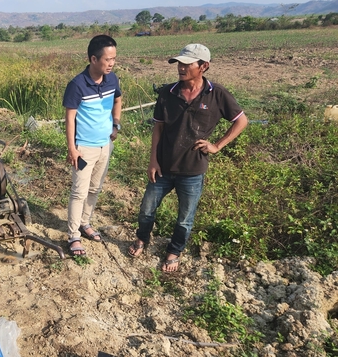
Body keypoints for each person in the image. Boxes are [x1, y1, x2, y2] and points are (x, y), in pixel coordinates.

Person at [127, 43, 248, 272]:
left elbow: (241, 121)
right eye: (179, 63)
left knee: (185, 218)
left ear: (203, 66)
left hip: (192, 170)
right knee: (146, 209)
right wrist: (153, 160)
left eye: (186, 64)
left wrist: (217, 145)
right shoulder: (168, 92)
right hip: (163, 166)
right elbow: (158, 129)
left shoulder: (216, 94)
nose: (180, 68)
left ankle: (174, 251)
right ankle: (142, 238)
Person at [62, 35, 123, 256]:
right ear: (93, 59)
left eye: (114, 59)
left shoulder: (112, 79)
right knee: (79, 191)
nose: (112, 63)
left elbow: (117, 99)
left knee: (95, 188)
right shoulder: (77, 85)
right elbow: (70, 118)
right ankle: (73, 235)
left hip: (104, 145)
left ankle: (85, 223)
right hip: (84, 148)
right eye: (108, 59)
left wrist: (116, 124)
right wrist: (72, 148)